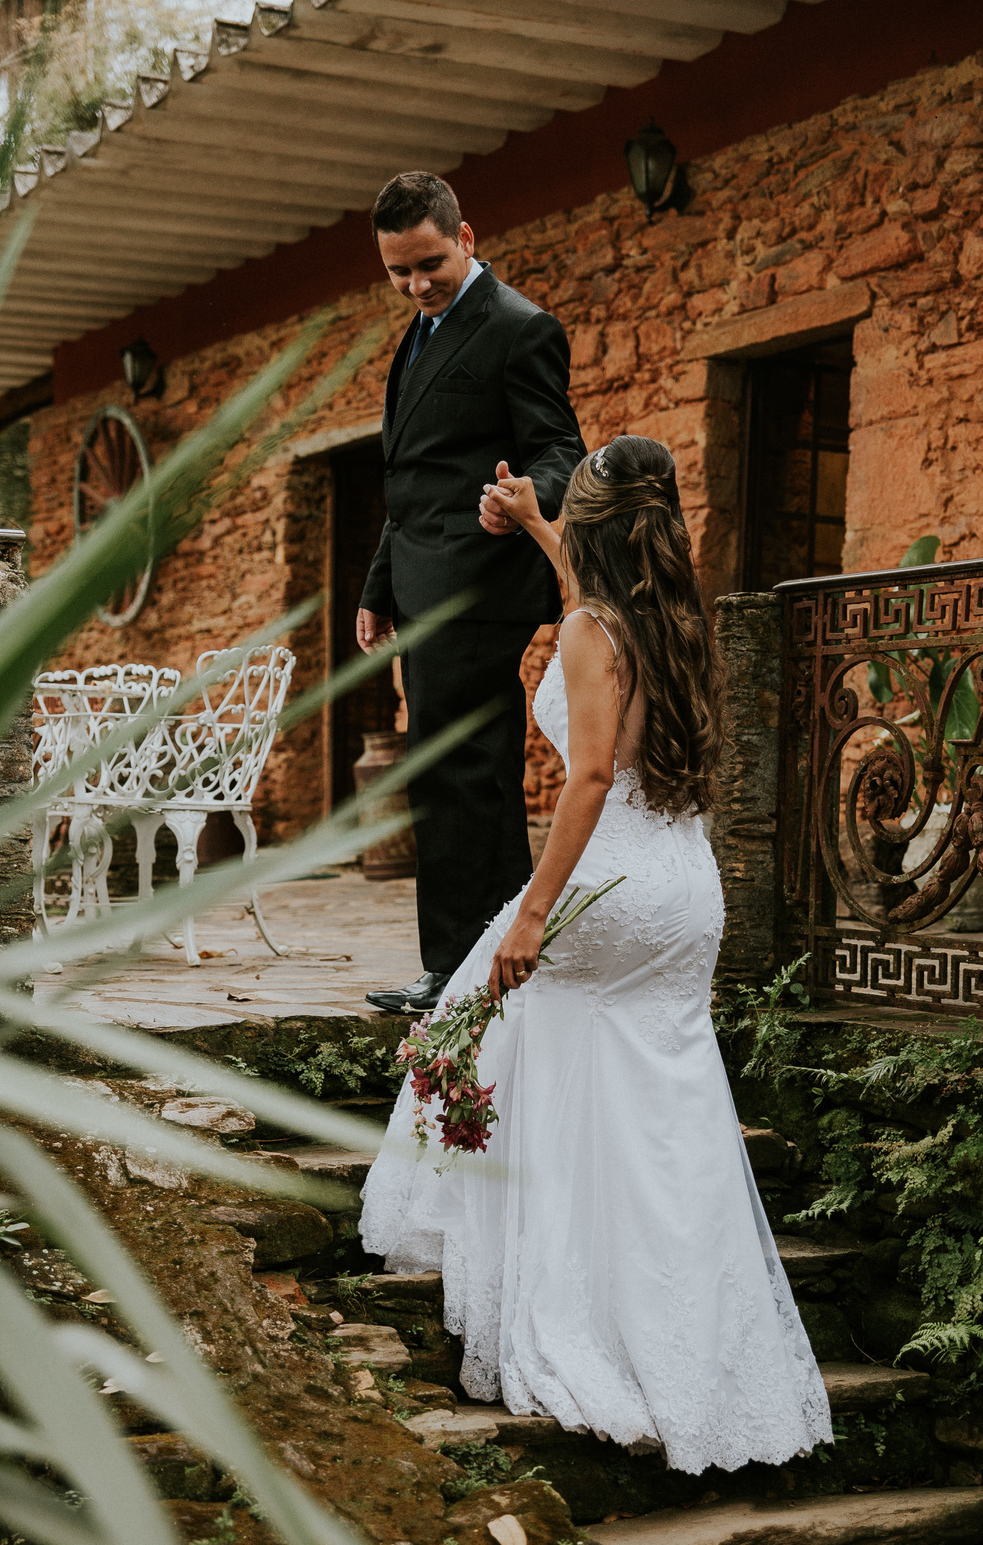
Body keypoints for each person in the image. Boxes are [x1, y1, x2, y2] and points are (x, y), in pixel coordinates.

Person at [360, 436, 832, 1476]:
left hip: (607, 882)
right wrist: (535, 526)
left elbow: (585, 780)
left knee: (503, 1048)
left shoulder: (586, 630)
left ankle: (576, 1315)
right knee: (661, 1108)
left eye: (569, 515)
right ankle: (693, 1346)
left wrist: (531, 912)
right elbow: (593, 595)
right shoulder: (672, 618)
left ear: (595, 523)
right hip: (684, 890)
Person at [358, 171, 585, 1017]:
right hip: (421, 584)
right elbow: (410, 478)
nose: (417, 286)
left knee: (457, 770)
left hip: (482, 584)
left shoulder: (519, 329)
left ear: (467, 238)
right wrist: (379, 586)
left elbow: (563, 450)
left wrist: (519, 496)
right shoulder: (419, 334)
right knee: (462, 768)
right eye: (398, 273)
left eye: (429, 265)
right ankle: (489, 958)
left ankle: (461, 966)